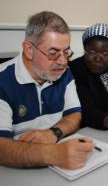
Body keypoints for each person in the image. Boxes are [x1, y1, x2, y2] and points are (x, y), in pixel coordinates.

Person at [0, 11, 95, 169]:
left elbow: (74, 115)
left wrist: (53, 133)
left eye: (66, 52)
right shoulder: (3, 81)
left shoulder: (65, 73)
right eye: (53, 53)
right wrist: (53, 154)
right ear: (29, 50)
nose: (63, 62)